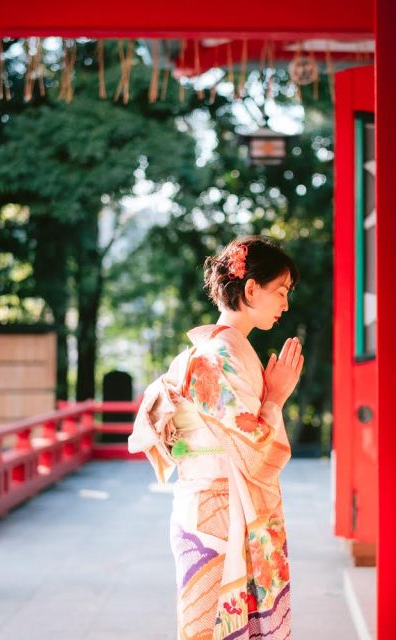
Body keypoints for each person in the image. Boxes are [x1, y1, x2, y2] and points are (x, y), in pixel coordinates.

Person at [128, 235, 302, 640]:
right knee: (209, 629)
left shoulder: (222, 352)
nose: (285, 304)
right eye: (280, 291)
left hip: (217, 504)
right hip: (215, 513)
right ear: (251, 289)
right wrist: (275, 397)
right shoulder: (215, 357)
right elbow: (255, 452)